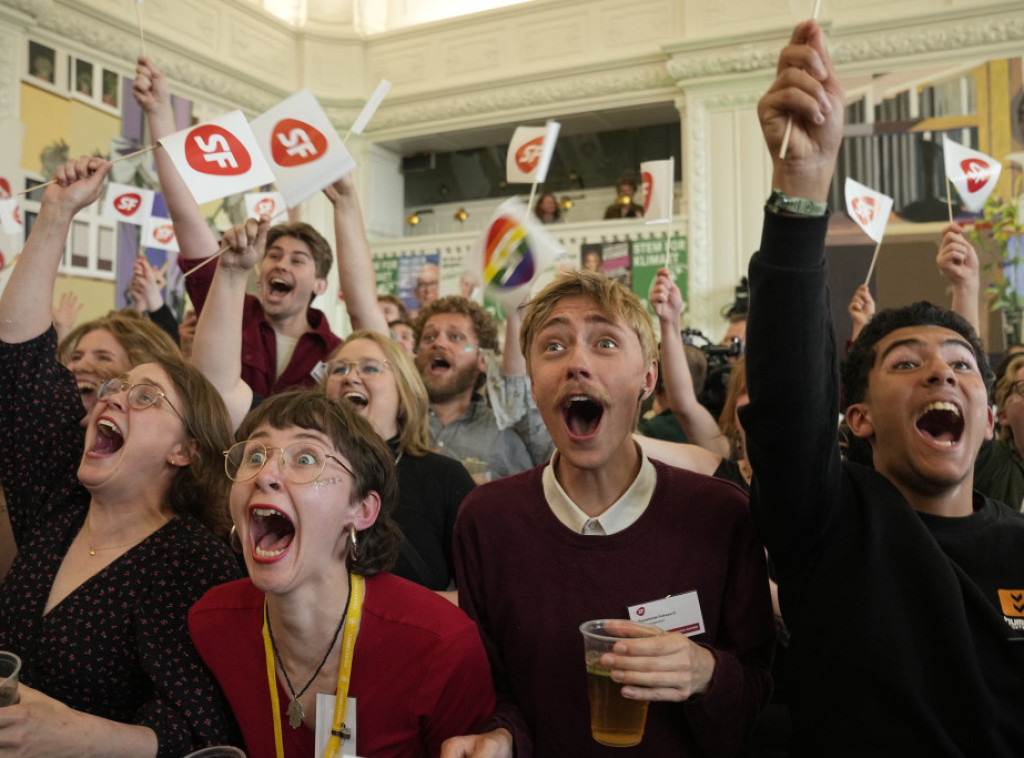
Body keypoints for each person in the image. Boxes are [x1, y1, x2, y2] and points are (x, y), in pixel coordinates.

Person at [745, 19, 1024, 755]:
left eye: (962, 366)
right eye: (907, 362)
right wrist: (802, 189)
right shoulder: (829, 523)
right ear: (858, 418)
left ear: (990, 421)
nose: (941, 371)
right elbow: (788, 399)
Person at [443, 269, 774, 757]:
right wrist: (500, 738)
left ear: (648, 377)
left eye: (605, 343)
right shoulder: (488, 522)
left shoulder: (720, 515)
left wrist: (705, 673)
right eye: (553, 346)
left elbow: (757, 698)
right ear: (533, 383)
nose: (577, 362)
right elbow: (497, 692)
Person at [0, 155, 240, 756]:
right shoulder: (59, 501)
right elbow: (22, 362)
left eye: (147, 396)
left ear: (187, 449)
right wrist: (54, 214)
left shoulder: (196, 566)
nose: (116, 397)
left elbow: (201, 735)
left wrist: (74, 736)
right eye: (115, 388)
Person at [188, 391, 496, 758]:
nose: (265, 474)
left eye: (305, 458)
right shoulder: (211, 624)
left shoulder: (439, 645)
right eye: (255, 455)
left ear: (362, 509)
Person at [133, 57, 348, 396]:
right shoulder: (229, 307)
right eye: (274, 255)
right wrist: (159, 112)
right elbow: (185, 215)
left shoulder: (337, 353)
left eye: (297, 260)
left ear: (320, 284)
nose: (280, 263)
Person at [414, 296, 533, 478]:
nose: (438, 343)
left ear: (482, 359)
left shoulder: (503, 435)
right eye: (429, 337)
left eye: (455, 337)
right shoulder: (399, 418)